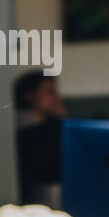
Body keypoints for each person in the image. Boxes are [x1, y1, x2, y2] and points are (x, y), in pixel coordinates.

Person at [14, 70, 66, 206]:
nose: (56, 98)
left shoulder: (53, 126)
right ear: (29, 96)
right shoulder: (19, 132)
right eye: (49, 92)